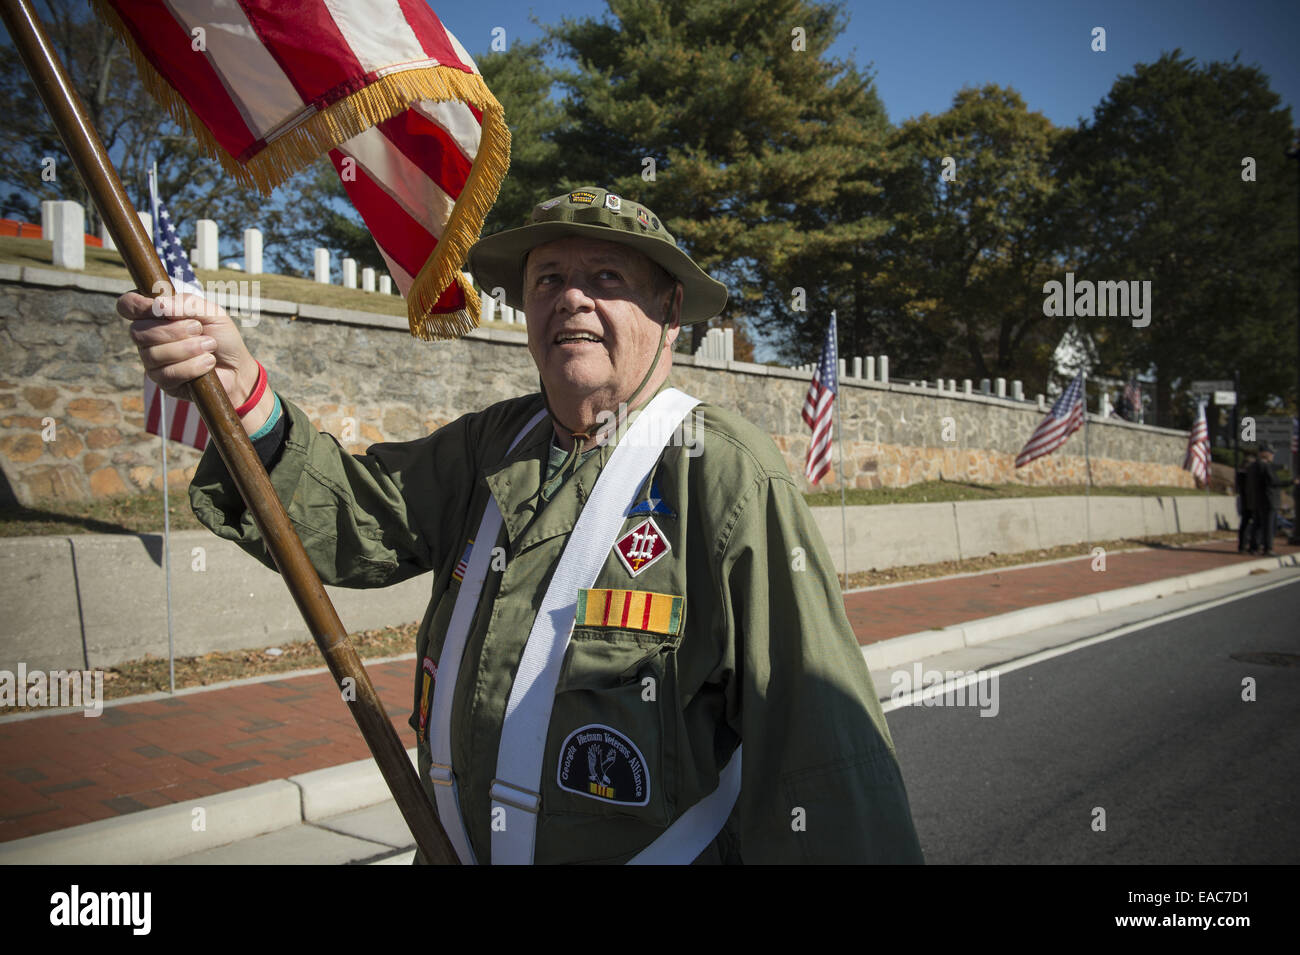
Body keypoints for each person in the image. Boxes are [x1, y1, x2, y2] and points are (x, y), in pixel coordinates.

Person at [117, 187, 924, 865]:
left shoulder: (722, 473)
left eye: (606, 276)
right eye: (549, 280)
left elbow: (821, 754)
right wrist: (243, 393)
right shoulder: (489, 446)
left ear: (669, 311)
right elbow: (354, 519)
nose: (572, 297)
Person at [1246, 442, 1283, 556]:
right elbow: (1273, 482)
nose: (1272, 456)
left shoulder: (1253, 466)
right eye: (1271, 453)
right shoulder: (1265, 466)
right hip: (1268, 500)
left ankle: (1253, 547)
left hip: (1257, 499)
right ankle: (1268, 548)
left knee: (1257, 525)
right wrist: (1291, 481)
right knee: (1268, 526)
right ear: (1265, 453)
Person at [1236, 451, 1256, 553]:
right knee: (1248, 523)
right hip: (1248, 501)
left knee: (1245, 523)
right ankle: (1246, 545)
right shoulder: (1244, 475)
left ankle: (1243, 545)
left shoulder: (1240, 474)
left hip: (1244, 501)